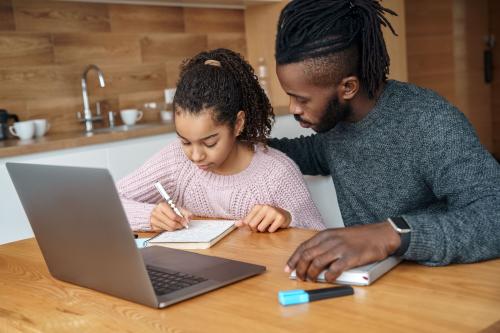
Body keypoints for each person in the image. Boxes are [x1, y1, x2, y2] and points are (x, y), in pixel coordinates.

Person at [268, 0, 500, 282]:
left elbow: (493, 217)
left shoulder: (429, 121)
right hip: (379, 286)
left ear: (348, 88)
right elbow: (314, 153)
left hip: (449, 284)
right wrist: (243, 145)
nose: (293, 108)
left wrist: (391, 233)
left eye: (301, 99)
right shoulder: (336, 128)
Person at [117, 48, 325, 233]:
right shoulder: (175, 161)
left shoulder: (277, 174)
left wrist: (288, 219)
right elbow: (104, 203)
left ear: (237, 124)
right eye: (185, 142)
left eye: (209, 143)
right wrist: (149, 216)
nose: (196, 156)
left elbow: (319, 239)